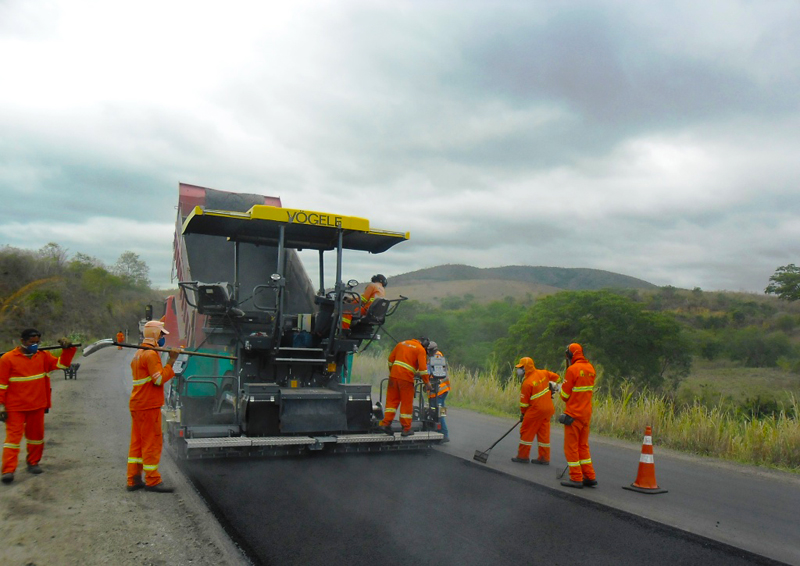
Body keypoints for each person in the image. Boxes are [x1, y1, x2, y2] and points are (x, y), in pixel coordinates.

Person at [0, 328, 77, 484]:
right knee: (12, 440)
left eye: (37, 342)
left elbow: (62, 365)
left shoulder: (42, 357)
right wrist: (1, 406)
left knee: (36, 438)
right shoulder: (8, 359)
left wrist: (68, 349)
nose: (34, 345)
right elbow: (1, 384)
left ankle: (33, 462)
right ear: (22, 341)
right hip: (15, 407)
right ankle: (8, 470)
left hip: (36, 405)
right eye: (31, 342)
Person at [127, 320, 179, 493]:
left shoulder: (139, 353)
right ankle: (152, 480)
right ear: (155, 335)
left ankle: (133, 479)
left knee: (137, 442)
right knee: (151, 442)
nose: (163, 338)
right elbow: (158, 379)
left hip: (138, 404)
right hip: (148, 405)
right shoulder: (150, 354)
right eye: (162, 334)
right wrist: (171, 361)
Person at [559, 343, 597, 488]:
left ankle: (576, 477)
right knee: (583, 446)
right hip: (586, 414)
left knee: (571, 447)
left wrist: (561, 387)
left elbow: (564, 396)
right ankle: (589, 476)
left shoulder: (572, 370)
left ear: (570, 355)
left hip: (573, 414)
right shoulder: (590, 368)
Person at [377, 337, 431, 437]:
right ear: (424, 345)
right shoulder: (420, 349)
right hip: (406, 380)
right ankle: (406, 429)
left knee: (391, 402)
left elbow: (390, 360)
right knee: (406, 403)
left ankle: (385, 424)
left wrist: (393, 372)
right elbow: (423, 369)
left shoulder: (401, 344)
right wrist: (427, 383)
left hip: (393, 377)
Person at [512, 356, 560, 465]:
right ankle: (544, 458)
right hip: (548, 409)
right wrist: (554, 387)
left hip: (536, 410)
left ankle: (522, 456)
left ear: (526, 368)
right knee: (543, 433)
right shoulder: (543, 373)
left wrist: (523, 415)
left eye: (521, 368)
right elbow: (557, 378)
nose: (518, 370)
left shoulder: (527, 383)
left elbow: (524, 404)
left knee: (526, 431)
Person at [426, 341, 450, 442]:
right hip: (440, 390)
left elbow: (430, 372)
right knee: (439, 411)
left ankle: (444, 434)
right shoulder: (438, 357)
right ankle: (439, 432)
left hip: (438, 390)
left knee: (438, 412)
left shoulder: (436, 358)